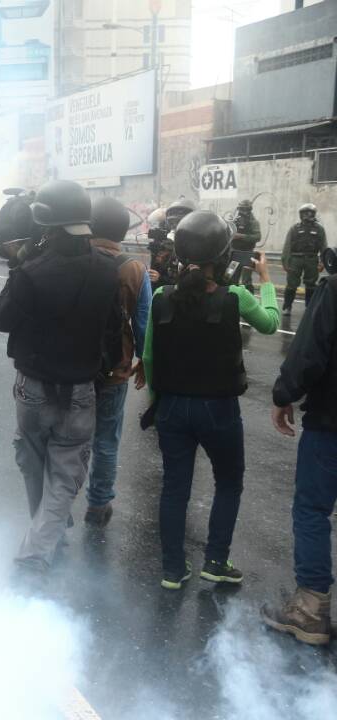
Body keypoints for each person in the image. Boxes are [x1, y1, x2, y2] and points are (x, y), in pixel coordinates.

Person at [0, 179, 121, 579]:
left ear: (45, 223)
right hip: (82, 390)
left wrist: (19, 270)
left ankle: (37, 552)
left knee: (32, 461)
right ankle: (46, 534)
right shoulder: (107, 270)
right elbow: (113, 331)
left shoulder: (32, 270)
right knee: (64, 474)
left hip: (33, 389)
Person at [142, 210, 279, 591]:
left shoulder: (160, 296)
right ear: (221, 257)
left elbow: (150, 357)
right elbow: (270, 322)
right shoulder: (234, 296)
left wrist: (157, 401)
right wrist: (267, 281)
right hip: (218, 408)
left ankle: (173, 569)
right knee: (229, 482)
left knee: (174, 488)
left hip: (171, 406)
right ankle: (216, 561)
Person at [262, 247, 337, 645]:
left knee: (312, 510)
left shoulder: (333, 290)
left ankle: (309, 610)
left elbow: (308, 355)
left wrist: (283, 394)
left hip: (331, 425)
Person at [83, 197, 151, 527]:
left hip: (73, 368)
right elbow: (143, 324)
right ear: (124, 230)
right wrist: (144, 361)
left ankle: (59, 502)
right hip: (114, 370)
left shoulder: (75, 258)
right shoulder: (135, 268)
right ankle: (98, 505)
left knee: (69, 438)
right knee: (106, 440)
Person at [282, 203, 327, 316]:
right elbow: (287, 246)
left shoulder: (319, 229)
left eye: (310, 212)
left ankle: (309, 307)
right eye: (305, 212)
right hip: (295, 259)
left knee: (311, 284)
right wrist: (285, 261)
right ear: (301, 214)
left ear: (314, 214)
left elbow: (324, 247)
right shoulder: (294, 228)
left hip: (311, 259)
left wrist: (323, 262)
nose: (307, 215)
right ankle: (287, 307)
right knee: (291, 284)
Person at [232, 199, 262, 295]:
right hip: (234, 253)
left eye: (245, 209)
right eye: (241, 209)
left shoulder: (253, 222)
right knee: (231, 278)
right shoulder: (234, 220)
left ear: (249, 210)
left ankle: (250, 302)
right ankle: (232, 300)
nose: (243, 212)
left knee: (246, 281)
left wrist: (241, 236)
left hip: (247, 253)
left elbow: (258, 237)